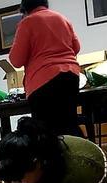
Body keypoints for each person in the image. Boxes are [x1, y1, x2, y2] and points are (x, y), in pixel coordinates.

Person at [10, 0, 82, 137]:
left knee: (46, 131)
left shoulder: (27, 23)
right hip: (70, 76)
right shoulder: (62, 19)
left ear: (24, 9)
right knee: (69, 124)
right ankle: (80, 155)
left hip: (43, 81)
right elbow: (76, 47)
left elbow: (16, 60)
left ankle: (53, 158)